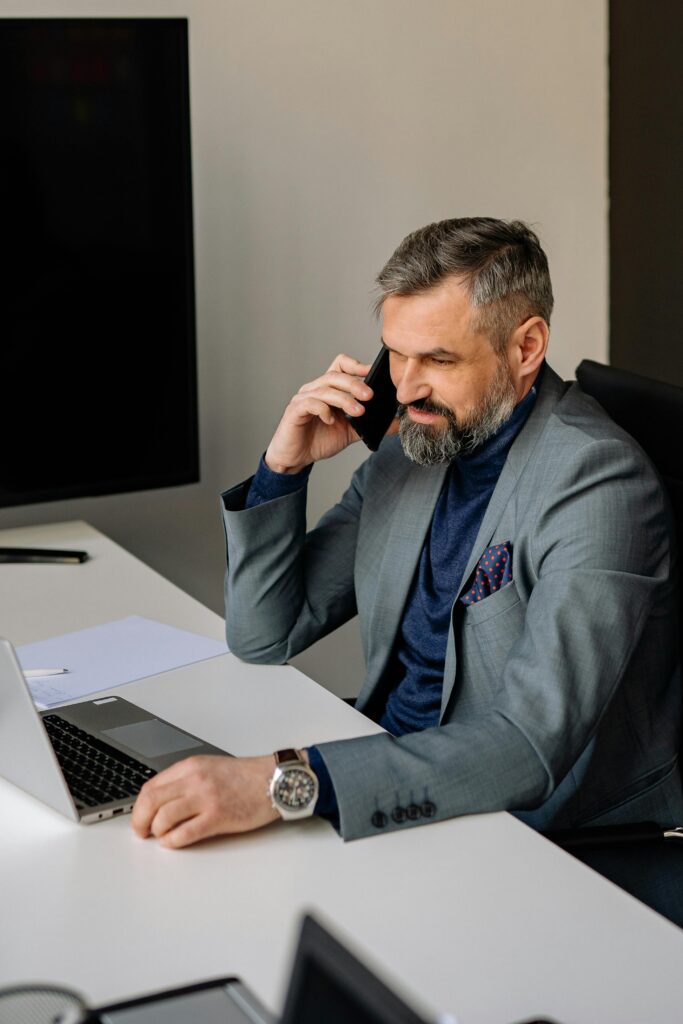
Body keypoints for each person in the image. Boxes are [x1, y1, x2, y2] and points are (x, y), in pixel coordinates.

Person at [132, 218, 682, 915]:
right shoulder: (412, 446)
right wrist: (283, 467)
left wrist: (282, 784)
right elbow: (265, 634)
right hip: (389, 780)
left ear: (525, 347)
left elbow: (526, 746)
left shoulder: (596, 483)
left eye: (437, 359)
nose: (407, 386)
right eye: (394, 354)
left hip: (535, 834)